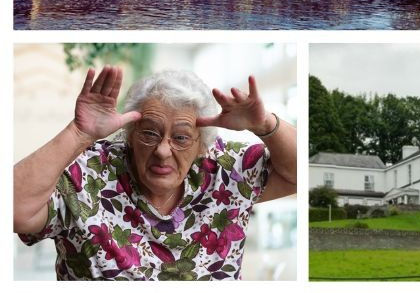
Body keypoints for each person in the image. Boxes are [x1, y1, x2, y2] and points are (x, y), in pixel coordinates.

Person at [13, 66, 297, 280]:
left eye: (182, 137)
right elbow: (13, 210)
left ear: (202, 145)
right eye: (150, 133)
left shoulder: (225, 168)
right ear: (130, 135)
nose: (163, 150)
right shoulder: (88, 171)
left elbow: (301, 174)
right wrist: (78, 134)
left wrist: (265, 125)